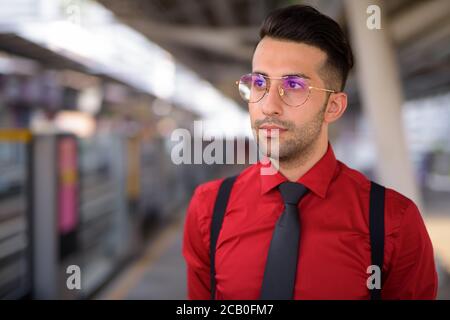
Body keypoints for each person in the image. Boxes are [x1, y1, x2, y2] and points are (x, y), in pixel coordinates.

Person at [182, 4, 438, 300]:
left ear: (333, 107)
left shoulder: (393, 221)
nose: (269, 105)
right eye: (259, 83)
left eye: (293, 85)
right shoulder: (209, 208)